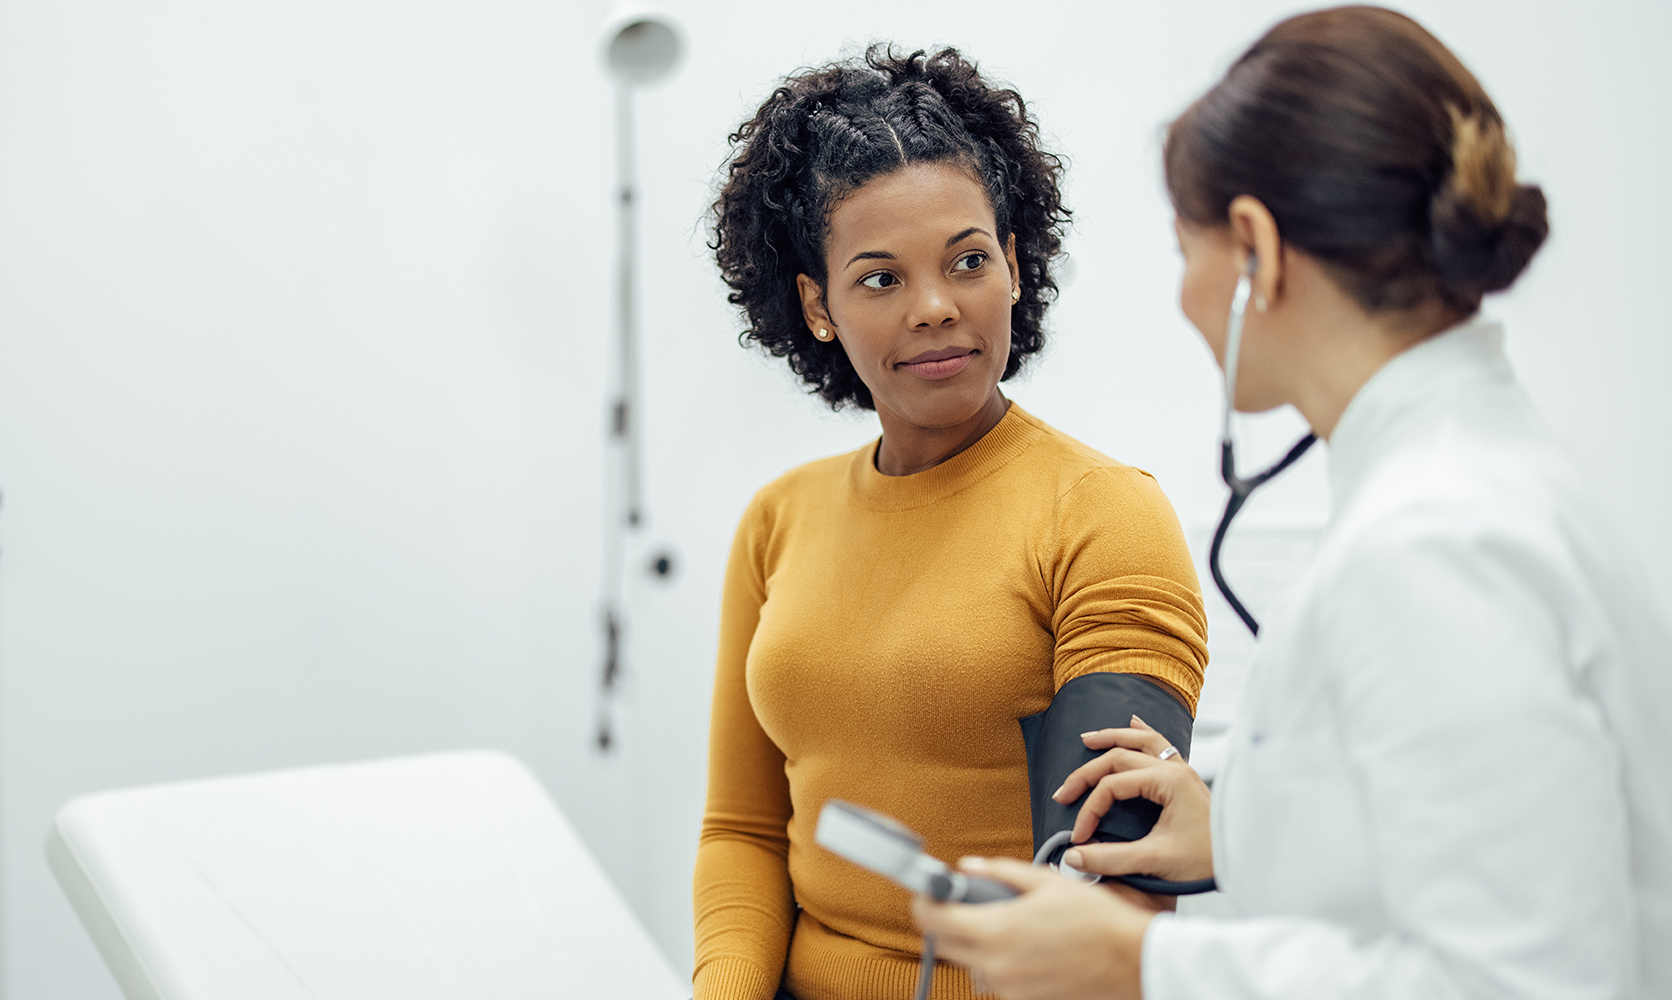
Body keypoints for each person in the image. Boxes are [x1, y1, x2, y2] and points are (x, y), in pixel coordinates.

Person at [911, 8, 1672, 999]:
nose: (1183, 295)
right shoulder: (1473, 480)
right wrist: (1239, 826)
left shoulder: (1434, 542)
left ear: (1253, 252)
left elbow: (1523, 978)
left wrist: (1135, 962)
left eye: (1185, 251)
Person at [695, 47, 1211, 1000]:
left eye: (968, 261)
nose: (936, 308)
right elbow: (743, 831)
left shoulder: (1103, 517)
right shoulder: (779, 522)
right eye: (881, 279)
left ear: (1014, 267)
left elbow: (1107, 899)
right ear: (817, 304)